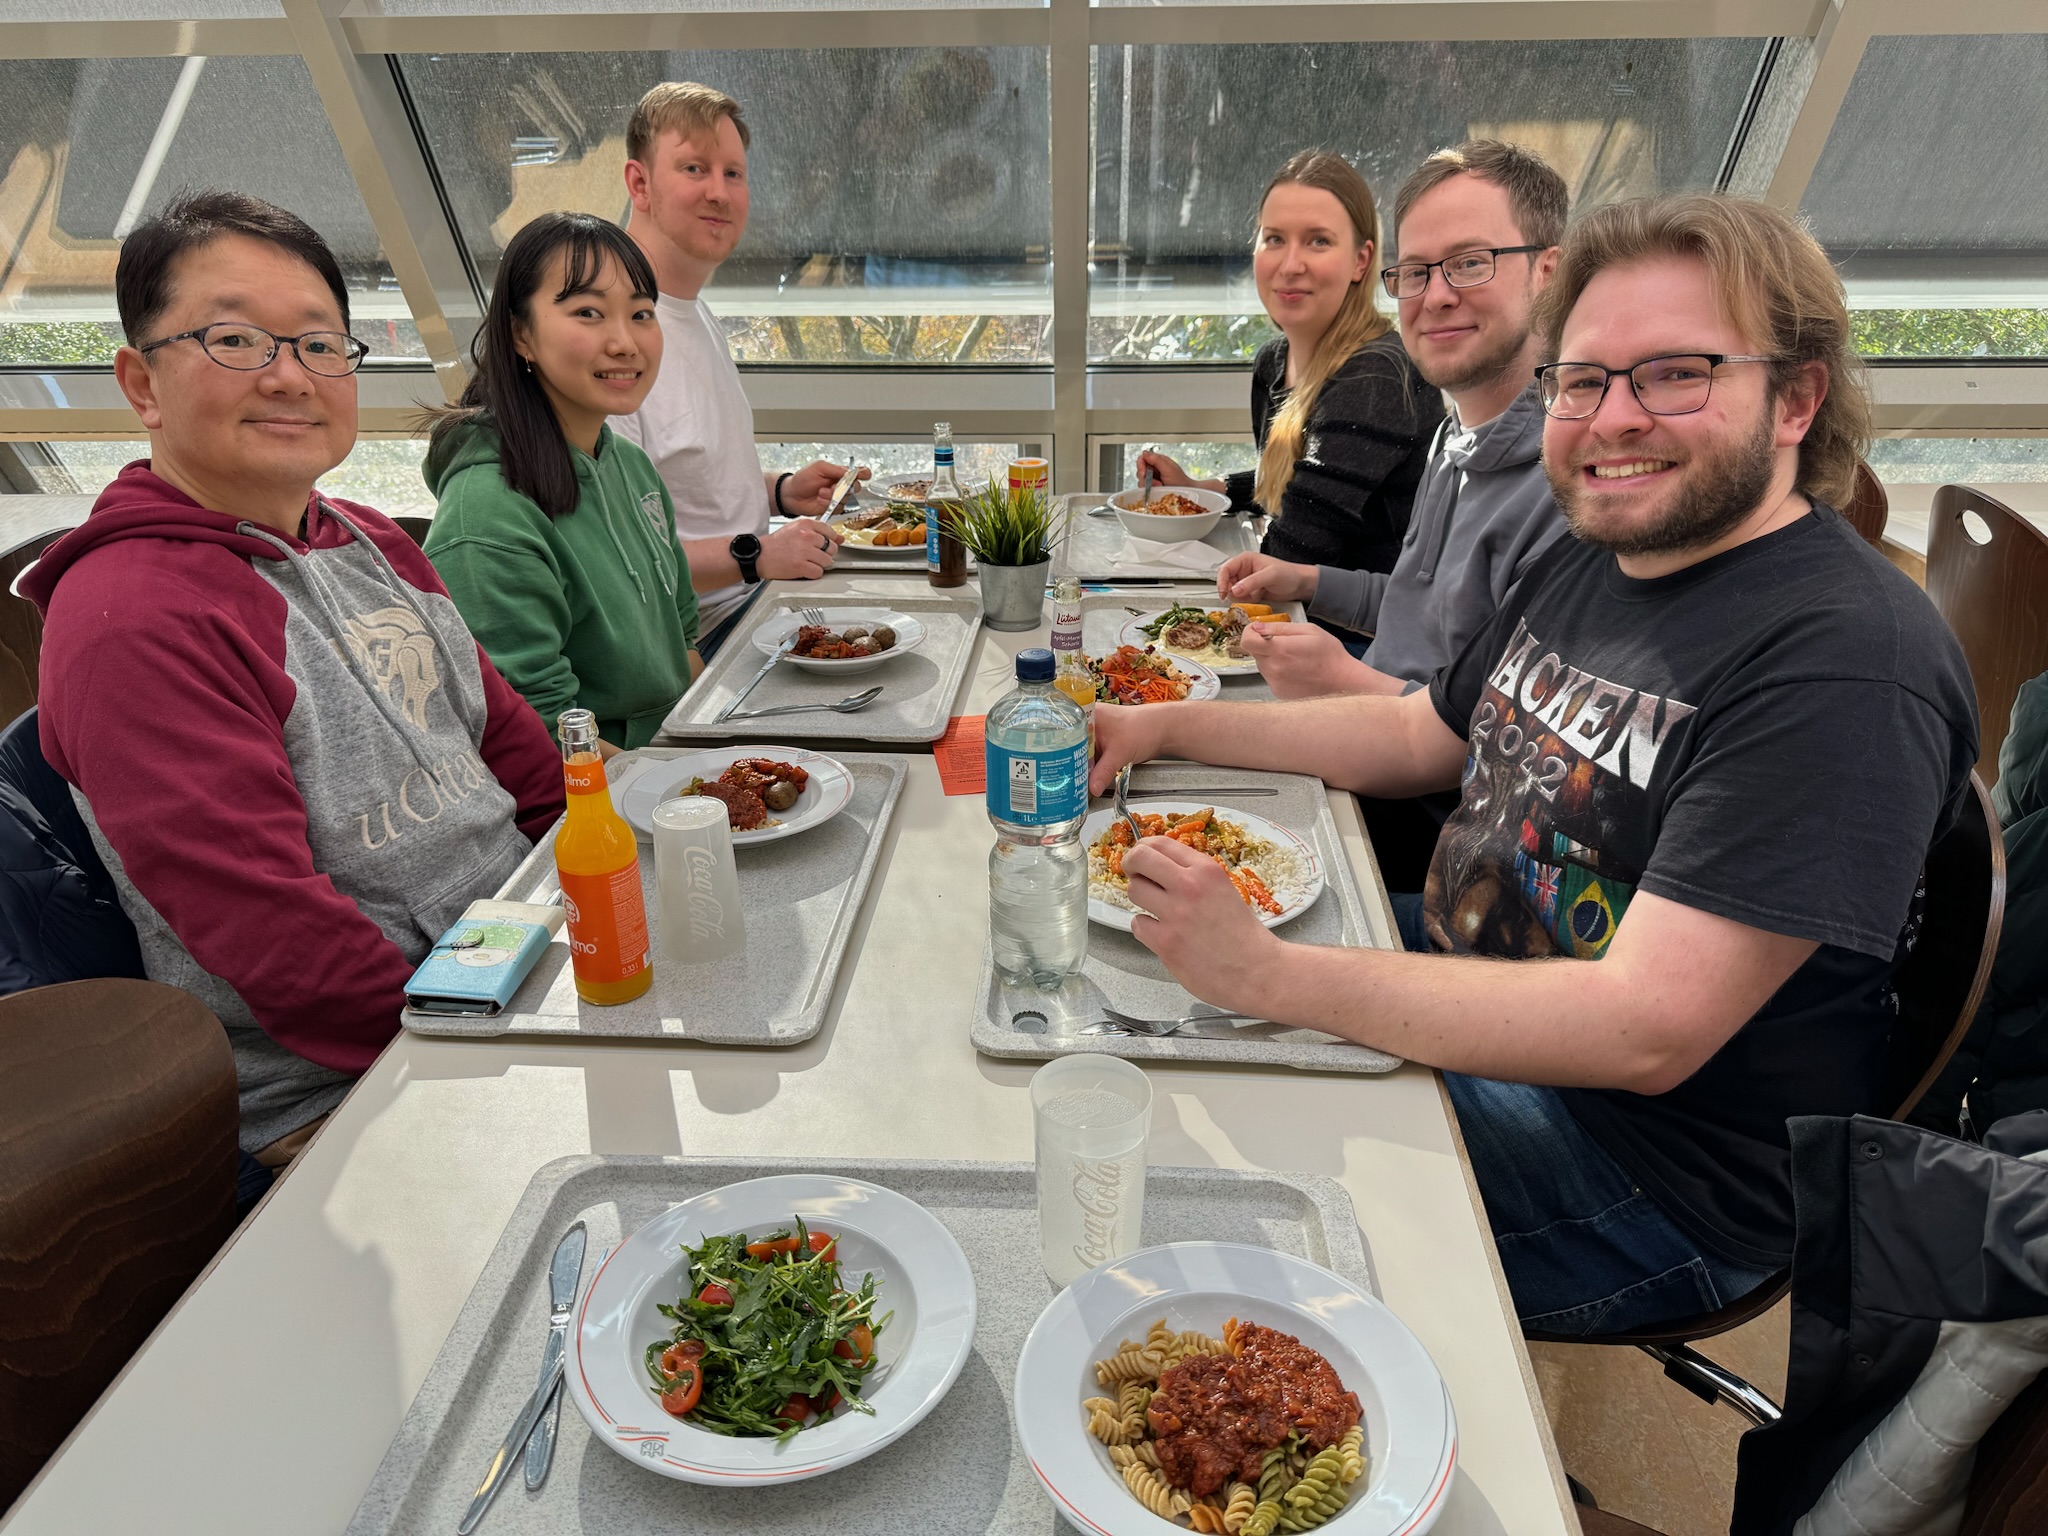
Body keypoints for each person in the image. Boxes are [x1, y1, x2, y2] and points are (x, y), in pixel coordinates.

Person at [1088, 193, 1980, 1336]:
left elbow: (1641, 1027)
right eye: (1581, 380)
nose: (1612, 420)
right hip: (1474, 965)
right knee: (1125, 1003)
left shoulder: (1844, 661)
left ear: (1796, 398)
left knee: (1169, 1202)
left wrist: (1267, 976)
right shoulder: (1603, 552)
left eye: (1675, 374)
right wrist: (1164, 729)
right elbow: (1416, 735)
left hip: (1639, 1169)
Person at [23, 192, 564, 1166]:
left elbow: (522, 758)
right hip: (367, 1081)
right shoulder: (130, 617)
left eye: (318, 344)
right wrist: (515, 1043)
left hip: (529, 963)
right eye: (234, 340)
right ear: (142, 385)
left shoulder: (370, 538)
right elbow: (279, 947)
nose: (288, 376)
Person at [1211, 141, 1573, 891]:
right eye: (1416, 272)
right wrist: (1310, 582)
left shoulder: (1569, 489)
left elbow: (1508, 752)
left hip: (1432, 834)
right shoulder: (1454, 434)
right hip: (1367, 744)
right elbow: (1416, 605)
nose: (1435, 295)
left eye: (1470, 263)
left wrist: (1345, 678)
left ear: (1550, 271)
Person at [423, 212, 699, 755]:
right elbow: (541, 735)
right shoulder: (487, 515)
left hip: (673, 754)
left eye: (641, 313)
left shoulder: (631, 465)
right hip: (601, 790)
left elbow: (685, 639)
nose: (625, 342)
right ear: (520, 334)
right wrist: (681, 786)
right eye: (588, 312)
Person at [615, 81, 863, 654]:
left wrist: (782, 493)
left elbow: (684, 480)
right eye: (694, 169)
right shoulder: (616, 341)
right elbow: (619, 557)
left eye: (733, 173)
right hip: (697, 639)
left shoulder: (692, 311)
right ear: (640, 184)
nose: (719, 193)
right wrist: (755, 555)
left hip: (755, 603)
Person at [1137, 150, 1443, 598]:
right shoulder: (1273, 363)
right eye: (1275, 239)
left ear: (1361, 261)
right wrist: (1203, 489)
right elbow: (1302, 488)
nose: (1290, 264)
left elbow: (1292, 555)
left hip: (1364, 631)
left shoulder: (1376, 378)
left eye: (1318, 241)